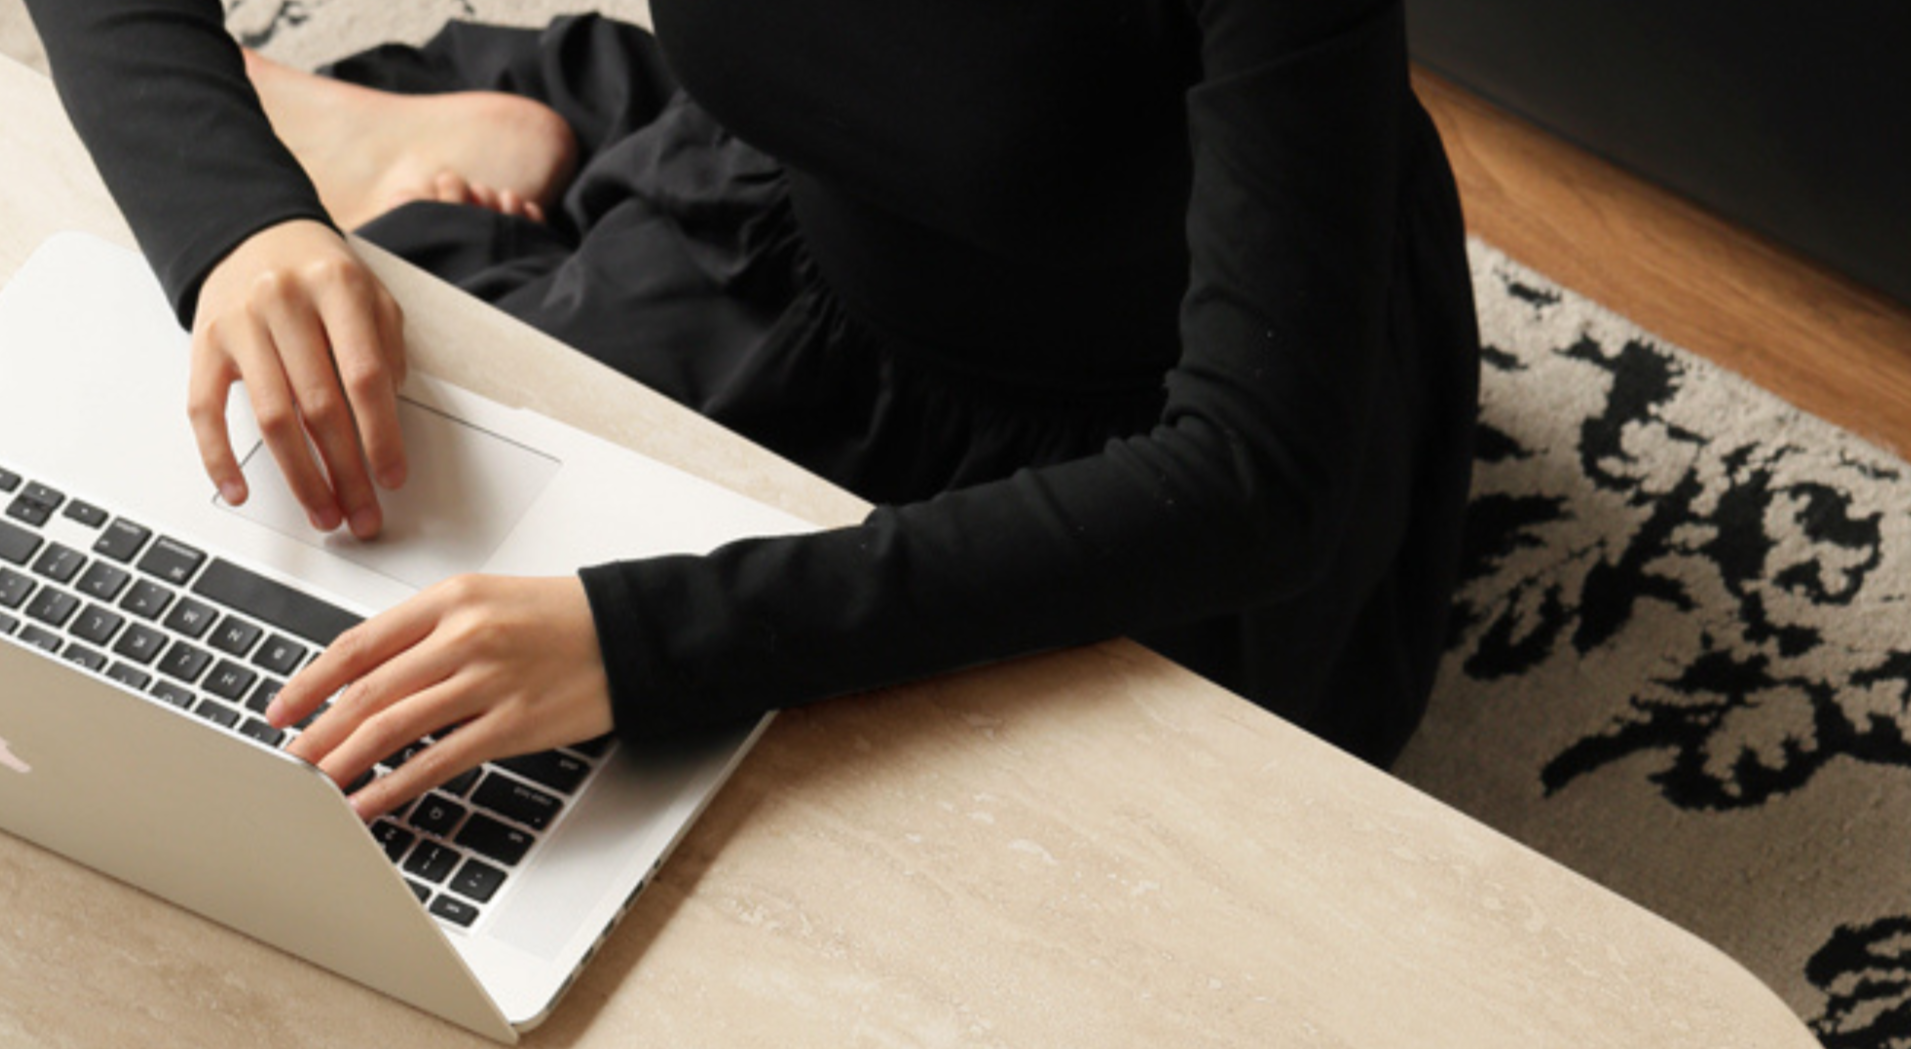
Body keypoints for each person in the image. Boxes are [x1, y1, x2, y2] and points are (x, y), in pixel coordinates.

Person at [29, 3, 1479, 826]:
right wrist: (237, 228)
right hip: (789, 250)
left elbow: (1254, 481)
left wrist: (641, 644)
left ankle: (442, 161)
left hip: (1150, 457)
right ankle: (449, 157)